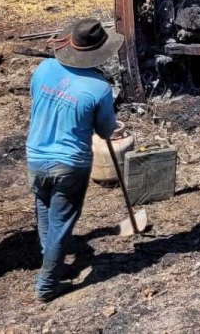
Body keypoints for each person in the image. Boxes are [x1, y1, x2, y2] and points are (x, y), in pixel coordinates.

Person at [26, 19, 120, 302]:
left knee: (44, 211)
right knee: (61, 223)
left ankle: (52, 263)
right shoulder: (99, 87)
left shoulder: (43, 69)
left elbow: (37, 104)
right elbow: (105, 131)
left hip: (36, 156)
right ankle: (47, 283)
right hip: (70, 163)